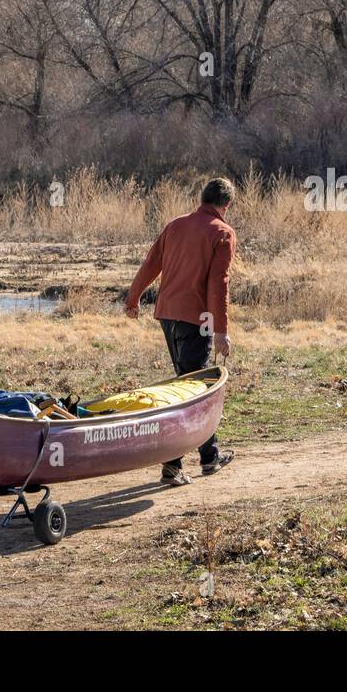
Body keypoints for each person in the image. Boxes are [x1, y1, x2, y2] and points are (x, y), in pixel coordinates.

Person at [125, 178, 237, 486]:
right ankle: (174, 465)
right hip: (195, 318)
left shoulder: (175, 225)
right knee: (193, 392)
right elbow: (219, 284)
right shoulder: (222, 233)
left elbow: (151, 264)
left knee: (189, 385)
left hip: (167, 314)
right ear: (226, 205)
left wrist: (133, 298)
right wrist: (221, 331)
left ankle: (209, 456)